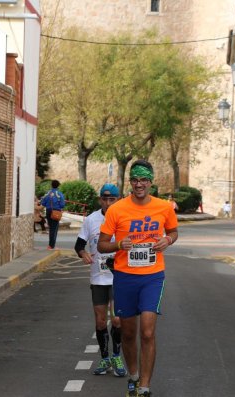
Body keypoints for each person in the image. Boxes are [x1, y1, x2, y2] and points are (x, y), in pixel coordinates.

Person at [98, 160, 178, 397]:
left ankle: (144, 387)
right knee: (129, 333)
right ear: (130, 182)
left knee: (148, 332)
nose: (139, 184)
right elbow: (102, 245)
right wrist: (119, 244)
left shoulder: (164, 207)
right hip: (124, 277)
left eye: (144, 180)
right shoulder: (116, 210)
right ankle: (133, 375)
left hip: (153, 277)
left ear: (151, 182)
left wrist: (169, 240)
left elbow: (173, 231)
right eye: (135, 180)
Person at [74, 183, 126, 377]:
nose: (108, 202)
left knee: (118, 320)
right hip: (98, 278)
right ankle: (105, 359)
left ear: (118, 199)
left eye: (112, 199)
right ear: (100, 200)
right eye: (104, 199)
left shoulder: (124, 218)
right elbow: (79, 244)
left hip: (119, 277)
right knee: (100, 321)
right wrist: (83, 254)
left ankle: (116, 356)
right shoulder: (91, 220)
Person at [40, 180, 65, 249]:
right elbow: (62, 204)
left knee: (51, 228)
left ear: (51, 185)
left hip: (48, 211)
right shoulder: (59, 194)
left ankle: (51, 245)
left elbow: (43, 203)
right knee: (54, 229)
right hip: (56, 212)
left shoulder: (48, 193)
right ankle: (51, 245)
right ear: (58, 185)